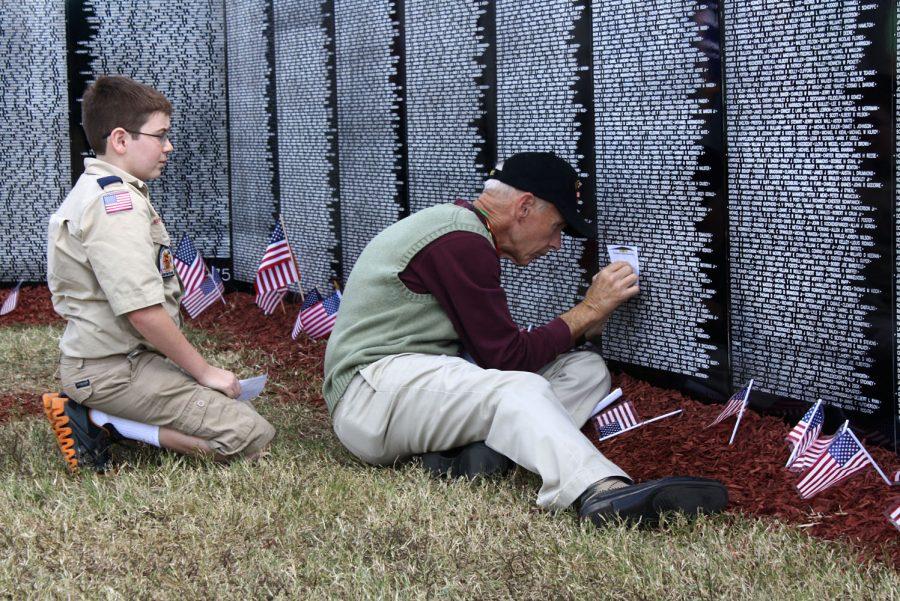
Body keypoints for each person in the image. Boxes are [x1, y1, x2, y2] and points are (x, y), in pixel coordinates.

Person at [323, 152, 726, 525]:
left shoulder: (465, 231)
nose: (556, 243)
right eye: (557, 227)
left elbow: (502, 354)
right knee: (519, 387)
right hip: (370, 396)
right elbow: (507, 359)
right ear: (524, 207)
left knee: (584, 369)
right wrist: (589, 309)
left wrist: (586, 322)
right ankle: (600, 491)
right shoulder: (459, 239)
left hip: (412, 388)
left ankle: (479, 455)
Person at [43, 75, 274, 472]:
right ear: (120, 140)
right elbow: (142, 311)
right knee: (248, 436)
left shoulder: (104, 190)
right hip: (112, 371)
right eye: (160, 135)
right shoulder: (114, 205)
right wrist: (204, 372)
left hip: (126, 360)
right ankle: (102, 422)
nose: (168, 147)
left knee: (230, 406)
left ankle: (111, 416)